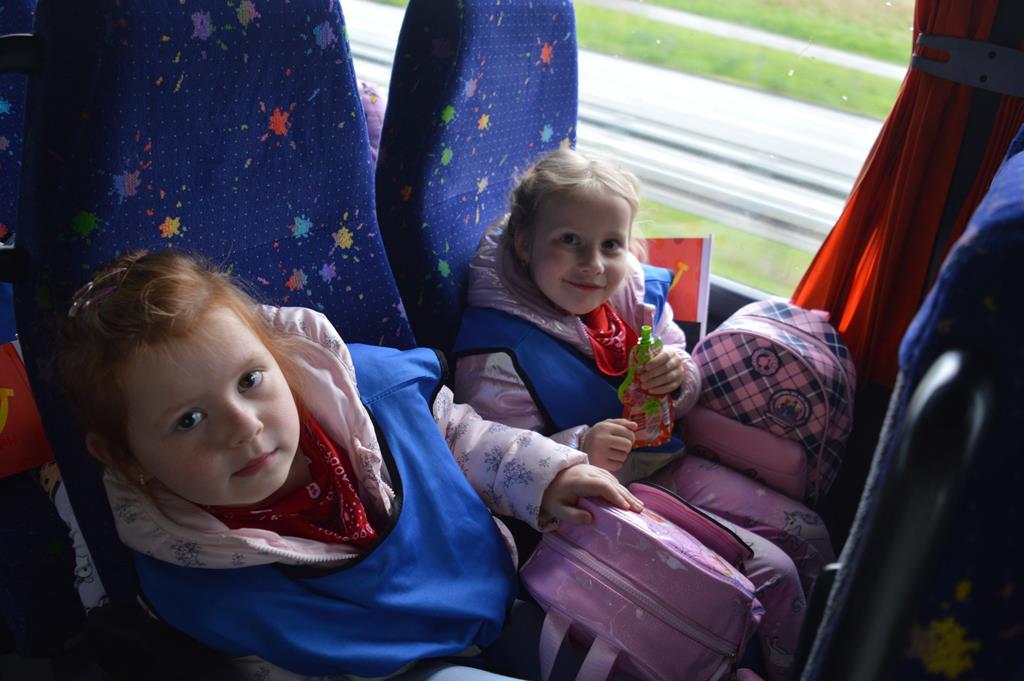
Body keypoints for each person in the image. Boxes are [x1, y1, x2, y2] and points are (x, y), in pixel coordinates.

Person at [54, 249, 646, 681]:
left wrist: (548, 475)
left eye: (250, 380)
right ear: (124, 455)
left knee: (629, 647)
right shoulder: (187, 574)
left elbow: (461, 438)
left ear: (278, 357)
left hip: (487, 596)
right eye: (188, 419)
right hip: (383, 671)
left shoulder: (367, 396)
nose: (243, 425)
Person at [452, 148, 835, 681]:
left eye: (610, 244)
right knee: (772, 571)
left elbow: (679, 359)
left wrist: (678, 375)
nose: (594, 263)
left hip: (663, 460)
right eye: (570, 241)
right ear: (524, 243)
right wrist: (580, 447)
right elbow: (496, 464)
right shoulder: (498, 352)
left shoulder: (631, 292)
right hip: (597, 500)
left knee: (808, 534)